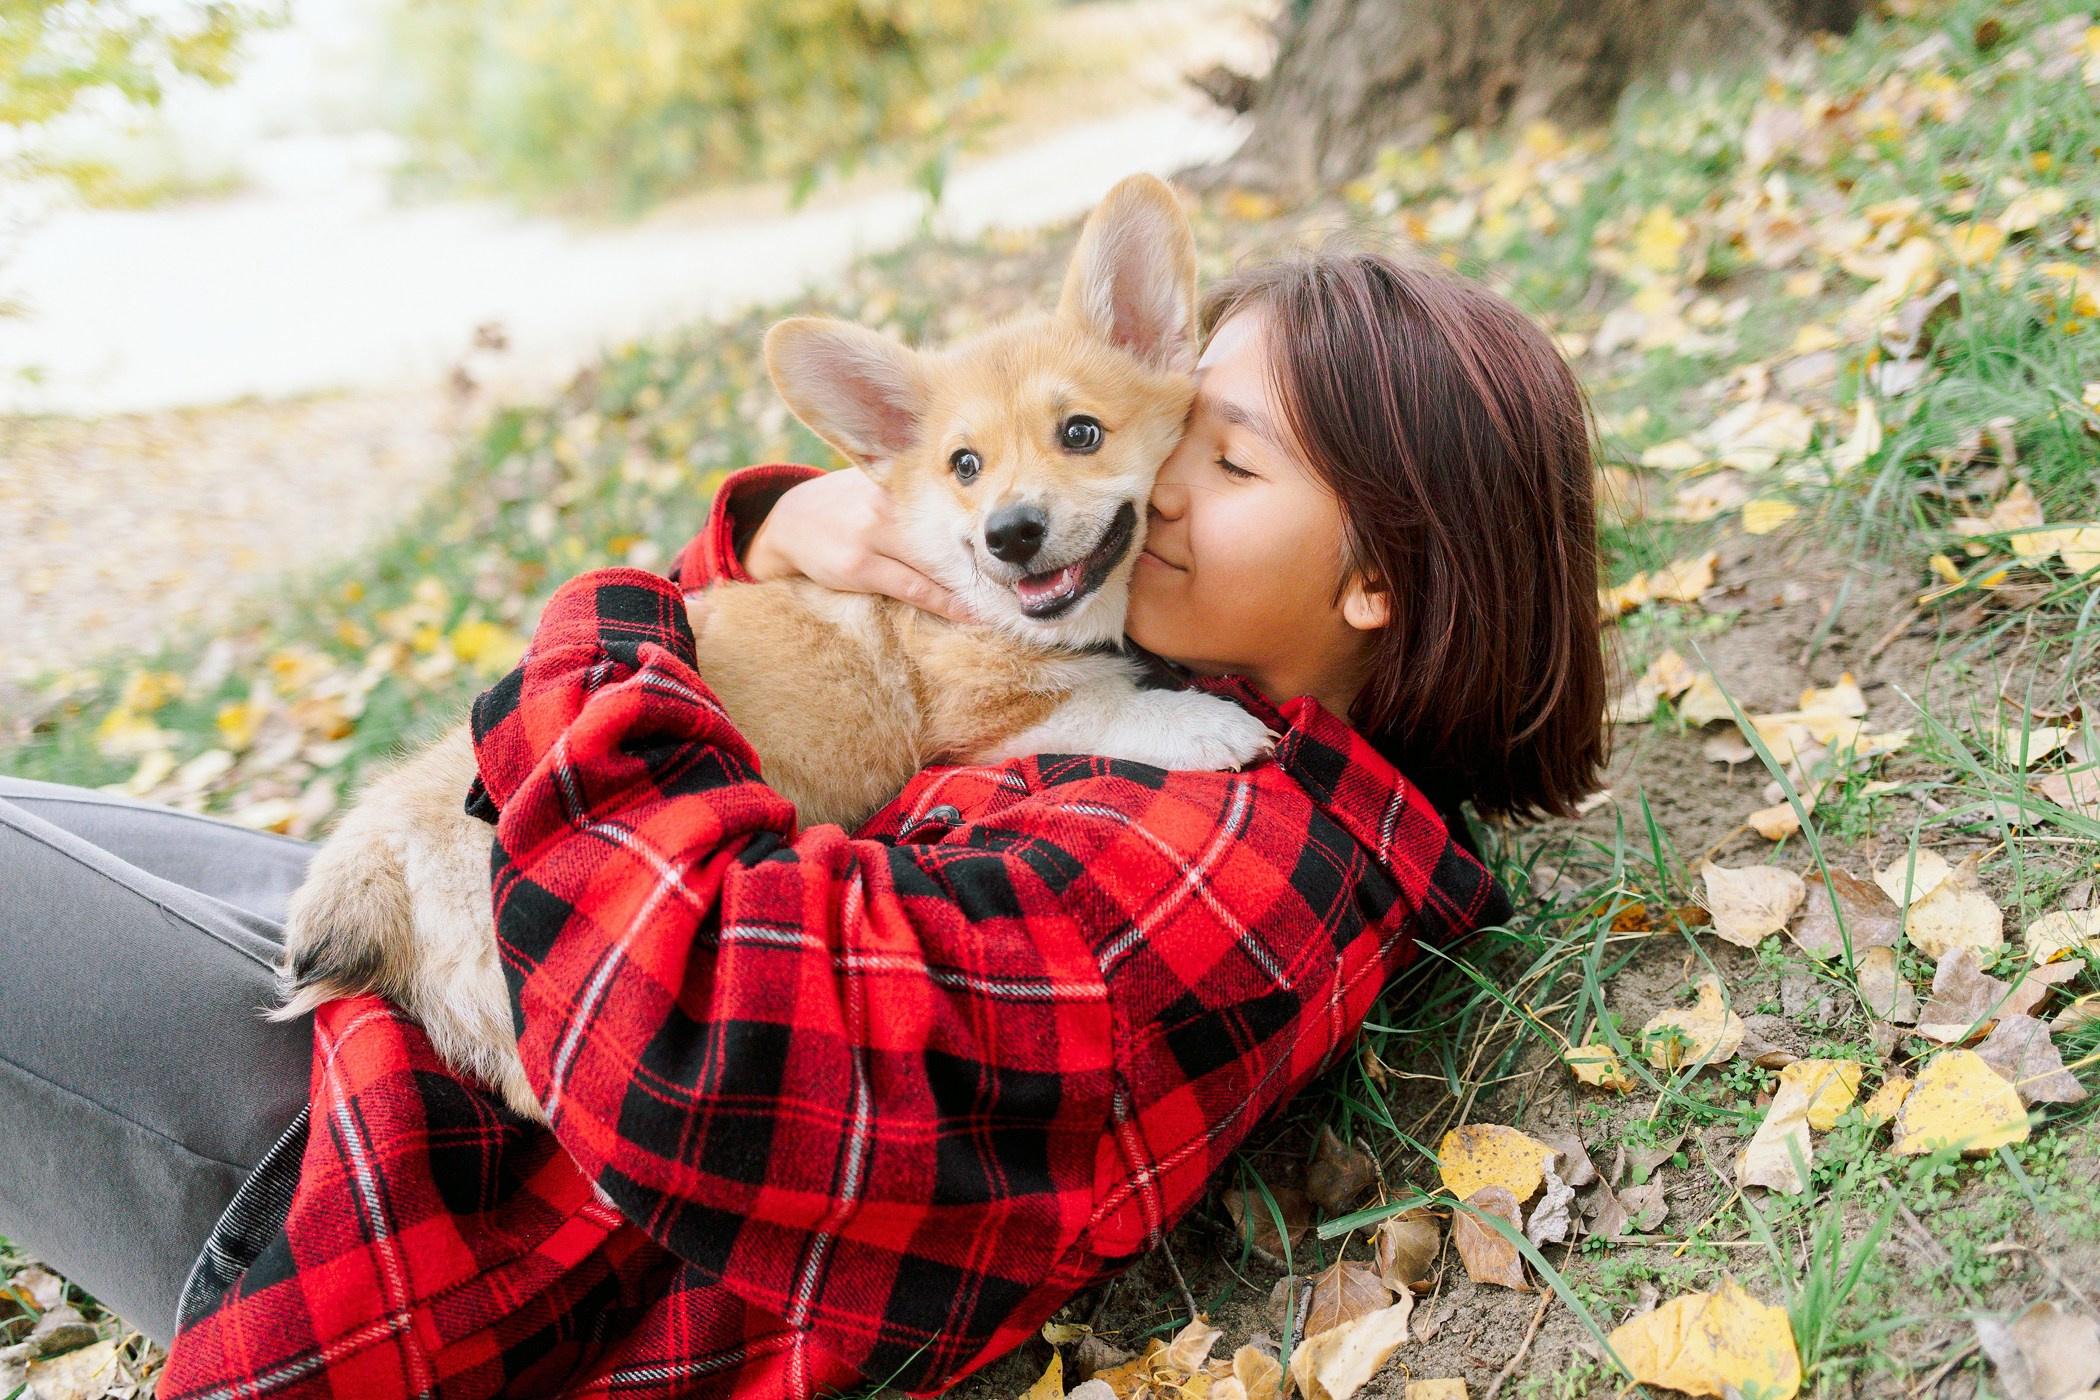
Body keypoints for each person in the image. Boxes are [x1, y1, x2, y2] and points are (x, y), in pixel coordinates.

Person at [0, 247, 1605, 1399]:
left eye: (1223, 456)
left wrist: (614, 627)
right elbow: (869, 648)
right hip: (471, 959)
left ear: (1377, 576)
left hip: (414, 1203)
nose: (1155, 480)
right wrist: (776, 528)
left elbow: (696, 1037)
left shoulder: (1231, 848)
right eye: (1172, 426)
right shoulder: (1154, 701)